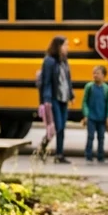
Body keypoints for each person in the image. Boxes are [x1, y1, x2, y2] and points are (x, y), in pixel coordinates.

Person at [39, 36, 73, 164]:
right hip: (53, 98)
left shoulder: (63, 61)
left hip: (64, 98)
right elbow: (46, 81)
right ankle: (42, 148)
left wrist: (71, 94)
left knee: (62, 126)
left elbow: (67, 79)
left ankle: (59, 154)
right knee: (57, 126)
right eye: (65, 45)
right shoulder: (49, 61)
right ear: (58, 46)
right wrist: (45, 100)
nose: (67, 48)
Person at [81, 66, 108, 163]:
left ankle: (101, 156)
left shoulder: (107, 89)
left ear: (103, 76)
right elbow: (84, 102)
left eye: (98, 73)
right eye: (94, 73)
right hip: (91, 117)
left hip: (102, 118)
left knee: (101, 137)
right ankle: (88, 155)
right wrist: (86, 114)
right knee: (90, 136)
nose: (95, 75)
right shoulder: (89, 87)